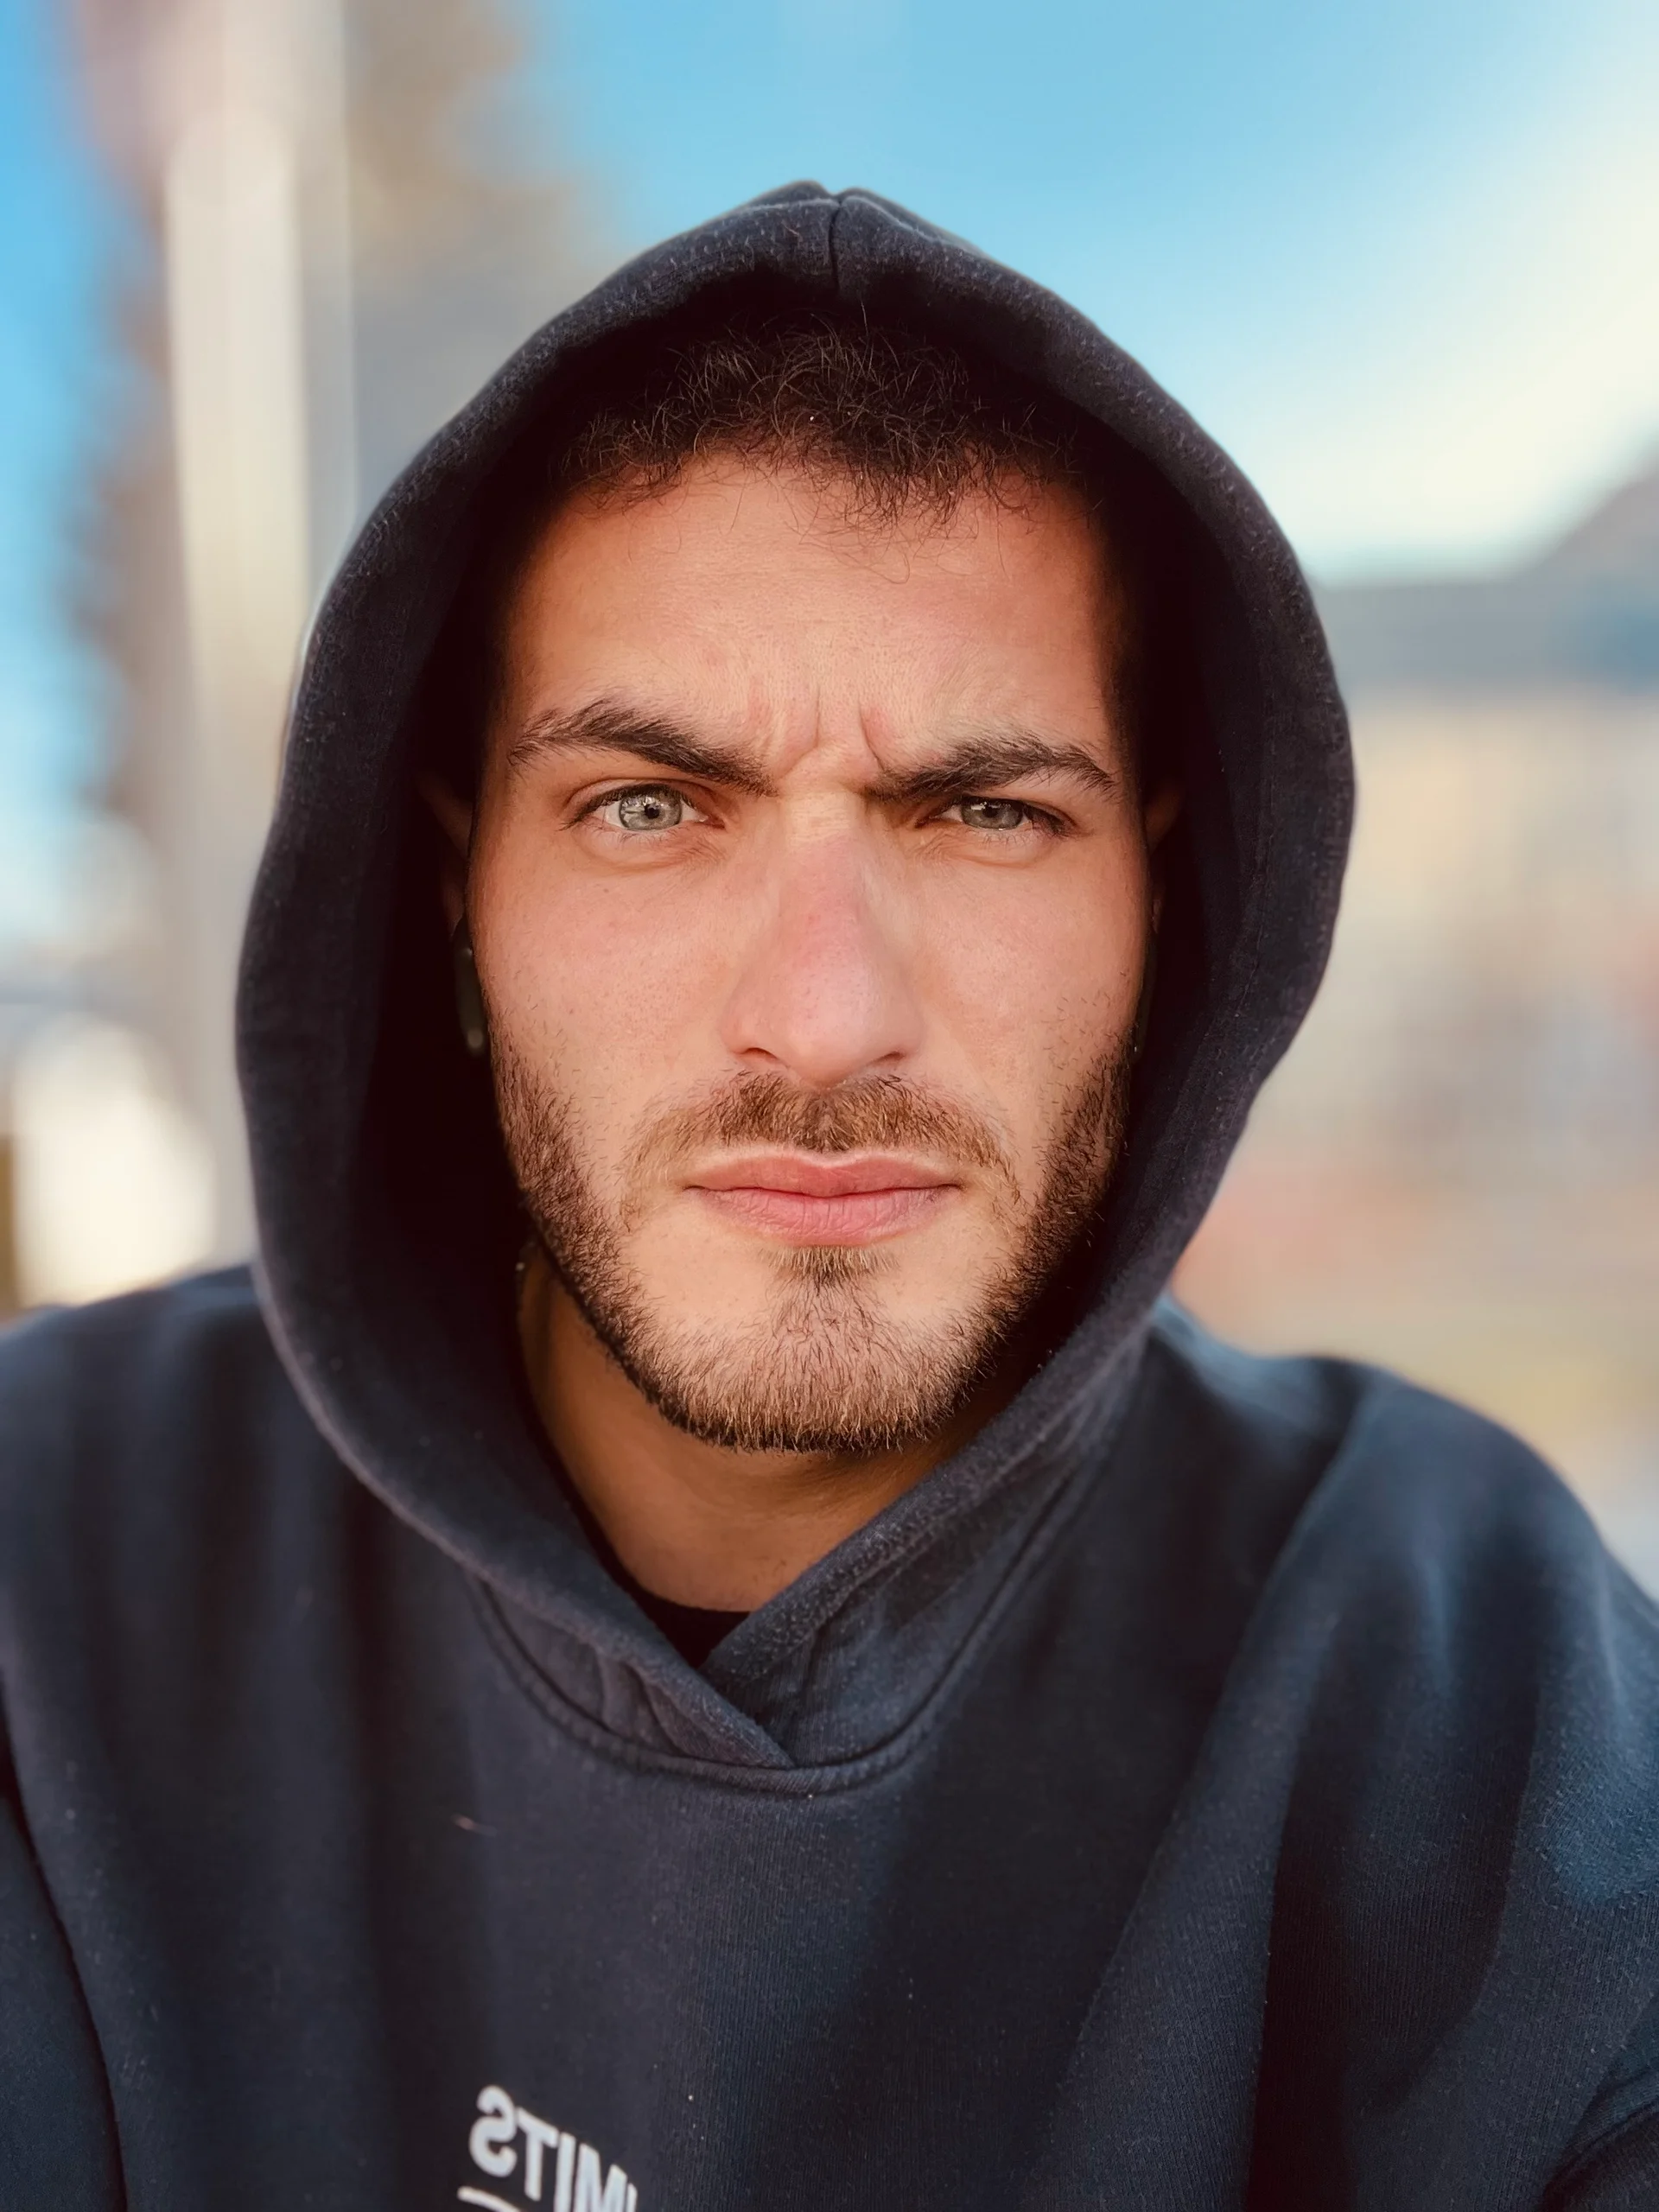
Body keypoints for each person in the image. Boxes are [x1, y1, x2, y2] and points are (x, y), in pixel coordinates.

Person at [3, 185, 1657, 2212]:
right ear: (456, 894)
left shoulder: (1482, 1680)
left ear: (1167, 898)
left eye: (985, 811)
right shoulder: (46, 1576)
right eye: (646, 806)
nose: (823, 1015)